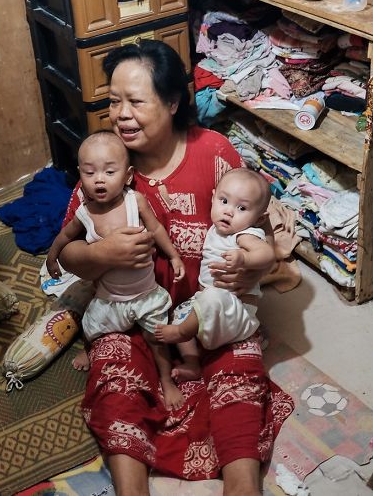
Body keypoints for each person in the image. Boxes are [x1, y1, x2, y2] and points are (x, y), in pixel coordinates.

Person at [57, 40, 293, 496]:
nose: (121, 114)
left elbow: (254, 231)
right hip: (137, 316)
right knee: (114, 368)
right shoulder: (106, 166)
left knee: (241, 364)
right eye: (113, 101)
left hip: (209, 313)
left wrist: (251, 269)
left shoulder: (215, 153)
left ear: (172, 101)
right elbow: (68, 252)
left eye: (136, 101)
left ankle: (241, 487)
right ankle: (133, 490)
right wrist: (100, 256)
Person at [45, 131, 187, 409]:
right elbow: (64, 237)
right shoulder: (85, 213)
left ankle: (166, 381)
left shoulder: (136, 202)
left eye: (109, 171)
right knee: (91, 327)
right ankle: (90, 352)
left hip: (146, 294)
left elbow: (157, 229)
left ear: (128, 175)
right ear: (80, 175)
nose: (99, 178)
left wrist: (174, 256)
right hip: (109, 299)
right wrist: (52, 258)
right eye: (90, 172)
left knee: (158, 339)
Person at [155, 167, 275, 377]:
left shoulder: (244, 234)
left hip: (235, 311)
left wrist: (245, 258)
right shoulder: (216, 228)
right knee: (179, 312)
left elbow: (266, 254)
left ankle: (182, 333)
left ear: (259, 220)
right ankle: (192, 363)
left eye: (242, 208)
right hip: (207, 305)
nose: (229, 211)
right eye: (224, 201)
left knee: (211, 297)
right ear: (213, 198)